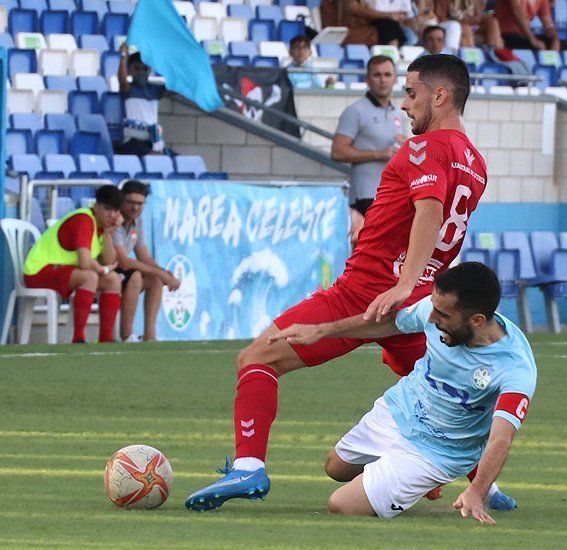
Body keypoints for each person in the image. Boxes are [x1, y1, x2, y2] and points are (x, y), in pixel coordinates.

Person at [184, 54, 502, 512]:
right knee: (441, 389)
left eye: (411, 93)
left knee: (257, 357)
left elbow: (429, 211)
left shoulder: (426, 147)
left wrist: (400, 282)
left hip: (368, 292)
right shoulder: (475, 161)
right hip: (420, 304)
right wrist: (412, 285)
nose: (404, 105)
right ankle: (481, 484)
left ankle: (249, 468)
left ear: (440, 95)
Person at [268, 262, 536, 522]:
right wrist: (321, 330)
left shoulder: (514, 369)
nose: (431, 318)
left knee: (340, 505)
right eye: (433, 308)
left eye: (442, 315)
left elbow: (501, 439)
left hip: (438, 451)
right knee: (335, 468)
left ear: (477, 320)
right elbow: (389, 324)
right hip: (400, 410)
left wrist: (476, 492)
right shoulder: (436, 310)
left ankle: (414, 477)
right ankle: (406, 481)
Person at [22, 185, 123, 343]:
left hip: (63, 271)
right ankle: (78, 338)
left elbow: (110, 261)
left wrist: (110, 233)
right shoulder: (84, 219)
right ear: (95, 206)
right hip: (38, 271)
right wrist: (101, 268)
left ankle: (106, 338)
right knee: (89, 276)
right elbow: (84, 263)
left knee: (113, 279)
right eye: (107, 209)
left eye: (115, 211)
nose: (111, 215)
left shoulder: (103, 227)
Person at [330, 55, 410, 245]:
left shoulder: (399, 113)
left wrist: (407, 148)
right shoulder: (355, 111)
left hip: (394, 195)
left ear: (395, 79)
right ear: (367, 79)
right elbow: (337, 152)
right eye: (377, 75)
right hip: (366, 196)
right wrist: (378, 154)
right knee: (365, 253)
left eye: (387, 74)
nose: (383, 79)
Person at [112, 180, 181, 343]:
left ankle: (150, 336)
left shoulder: (138, 221)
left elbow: (144, 255)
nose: (135, 208)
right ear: (122, 200)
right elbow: (123, 260)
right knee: (135, 276)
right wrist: (159, 272)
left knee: (155, 279)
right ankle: (127, 335)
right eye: (131, 202)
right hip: (107, 269)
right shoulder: (114, 219)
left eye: (140, 204)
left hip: (121, 272)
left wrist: (162, 272)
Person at [115, 43, 166, 156]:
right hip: (133, 142)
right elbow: (122, 79)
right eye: (137, 68)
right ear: (130, 70)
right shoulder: (128, 88)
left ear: (149, 71)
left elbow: (175, 85)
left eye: (145, 69)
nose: (141, 72)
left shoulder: (155, 90)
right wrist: (123, 56)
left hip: (153, 141)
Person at [494, 0, 559, 52]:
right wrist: (532, 39)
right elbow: (517, 10)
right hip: (506, 35)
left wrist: (555, 39)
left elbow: (549, 26)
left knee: (565, 46)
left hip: (524, 36)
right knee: (535, 48)